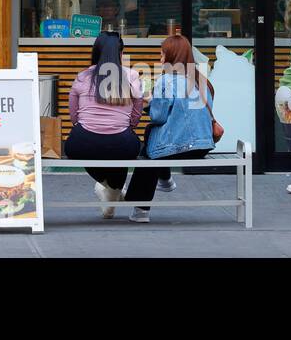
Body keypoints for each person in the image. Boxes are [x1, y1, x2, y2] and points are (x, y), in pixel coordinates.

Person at [122, 34, 217, 223]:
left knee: (151, 146)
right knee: (155, 140)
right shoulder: (201, 80)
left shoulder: (166, 80)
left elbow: (159, 116)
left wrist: (151, 102)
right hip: (204, 145)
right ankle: (165, 182)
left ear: (171, 56)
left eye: (162, 55)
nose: (160, 59)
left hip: (181, 147)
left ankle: (141, 209)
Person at [64, 32, 144, 218]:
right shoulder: (131, 75)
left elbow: (74, 116)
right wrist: (125, 127)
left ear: (95, 52)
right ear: (121, 54)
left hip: (83, 142)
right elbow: (137, 112)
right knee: (126, 147)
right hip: (121, 143)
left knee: (82, 147)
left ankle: (109, 188)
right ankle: (113, 189)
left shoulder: (83, 76)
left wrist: (89, 125)